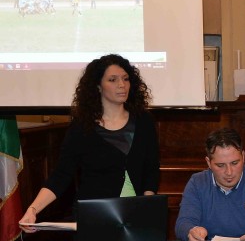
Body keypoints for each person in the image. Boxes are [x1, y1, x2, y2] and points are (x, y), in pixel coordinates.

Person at [20, 54, 160, 227]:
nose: (122, 85)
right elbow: (61, 175)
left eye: (125, 79)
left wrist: (146, 207)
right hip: (93, 217)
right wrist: (33, 210)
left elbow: (151, 170)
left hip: (134, 216)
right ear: (98, 86)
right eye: (112, 80)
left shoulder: (144, 121)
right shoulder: (81, 127)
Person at [175, 128, 245, 241]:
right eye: (220, 165)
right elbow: (182, 224)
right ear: (208, 163)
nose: (229, 172)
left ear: (243, 157)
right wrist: (192, 231)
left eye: (235, 163)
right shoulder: (197, 183)